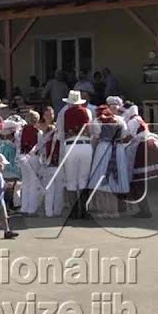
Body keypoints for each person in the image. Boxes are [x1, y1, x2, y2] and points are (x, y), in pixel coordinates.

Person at [86, 98, 130, 219]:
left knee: (100, 180)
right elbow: (125, 135)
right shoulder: (120, 120)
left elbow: (95, 136)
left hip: (103, 148)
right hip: (118, 149)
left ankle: (102, 210)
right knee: (114, 180)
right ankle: (114, 211)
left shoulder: (97, 121)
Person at [58, 90, 94, 220]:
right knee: (83, 179)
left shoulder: (64, 113)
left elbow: (60, 132)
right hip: (85, 145)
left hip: (70, 145)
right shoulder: (87, 111)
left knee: (71, 180)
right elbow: (91, 129)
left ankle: (74, 211)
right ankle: (84, 210)